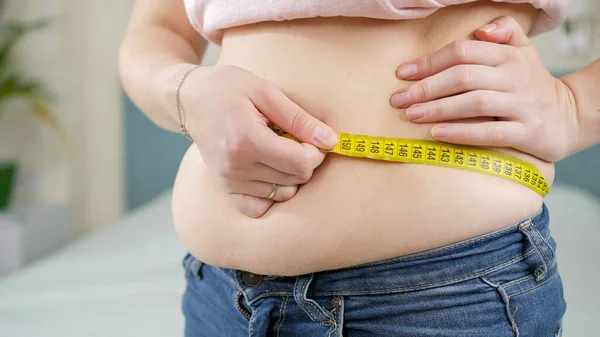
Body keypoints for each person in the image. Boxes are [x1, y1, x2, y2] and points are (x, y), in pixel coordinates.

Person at [119, 0, 599, 335]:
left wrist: (575, 105)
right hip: (218, 298)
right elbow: (155, 31)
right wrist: (184, 93)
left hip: (446, 298)